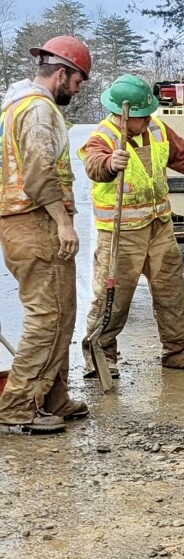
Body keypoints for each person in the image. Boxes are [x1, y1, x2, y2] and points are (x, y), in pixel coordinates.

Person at [79, 74, 184, 378]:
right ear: (123, 114)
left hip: (158, 226)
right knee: (112, 298)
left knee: (172, 292)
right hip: (121, 233)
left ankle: (179, 351)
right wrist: (108, 165)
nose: (147, 120)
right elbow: (94, 164)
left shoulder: (156, 129)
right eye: (142, 116)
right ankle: (100, 357)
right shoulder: (103, 137)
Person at [0, 36, 91, 433]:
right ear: (61, 73)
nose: (77, 89)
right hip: (34, 220)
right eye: (77, 81)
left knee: (60, 310)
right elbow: (39, 172)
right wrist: (63, 221)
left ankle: (53, 396)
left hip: (23, 221)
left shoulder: (16, 106)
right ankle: (18, 404)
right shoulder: (38, 111)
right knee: (49, 316)